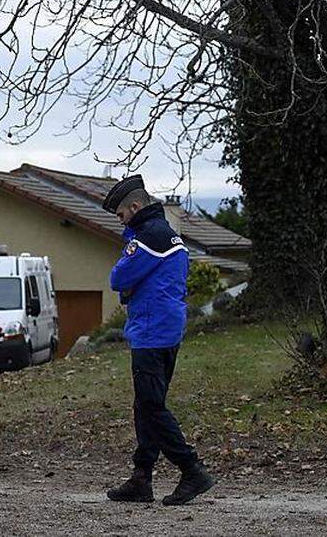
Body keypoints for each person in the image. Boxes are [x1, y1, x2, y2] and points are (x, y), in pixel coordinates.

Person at [102, 175, 215, 506]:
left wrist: (129, 283)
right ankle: (142, 477)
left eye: (122, 214)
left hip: (151, 332)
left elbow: (118, 277)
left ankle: (191, 468)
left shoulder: (149, 238)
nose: (121, 221)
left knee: (151, 406)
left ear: (135, 207)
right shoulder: (170, 236)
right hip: (166, 328)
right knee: (145, 404)